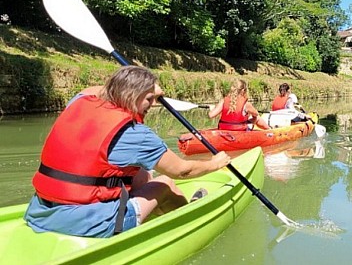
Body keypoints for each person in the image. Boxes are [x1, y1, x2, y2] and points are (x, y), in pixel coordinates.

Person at [24, 66, 231, 238]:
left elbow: (94, 89)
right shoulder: (136, 134)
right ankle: (188, 224)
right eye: (149, 99)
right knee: (165, 184)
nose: (153, 104)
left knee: (142, 175)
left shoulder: (78, 102)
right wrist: (215, 162)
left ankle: (149, 213)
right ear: (132, 95)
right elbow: (181, 170)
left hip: (40, 210)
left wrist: (144, 85)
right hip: (88, 224)